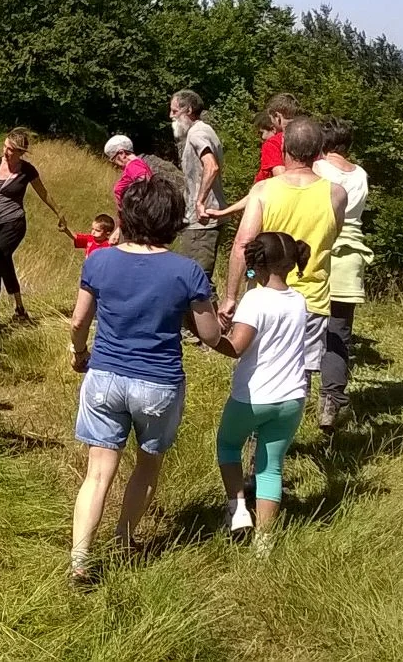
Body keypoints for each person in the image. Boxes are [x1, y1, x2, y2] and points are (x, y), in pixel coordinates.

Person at [67, 178, 223, 585]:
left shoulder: (99, 261)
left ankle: (80, 559)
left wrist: (79, 353)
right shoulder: (187, 270)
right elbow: (210, 335)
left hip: (104, 376)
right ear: (173, 220)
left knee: (98, 472)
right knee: (147, 464)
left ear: (127, 215)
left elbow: (79, 321)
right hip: (157, 382)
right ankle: (124, 540)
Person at [222, 118, 347, 428]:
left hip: (265, 293)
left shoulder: (264, 190)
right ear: (319, 152)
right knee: (297, 374)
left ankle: (254, 434)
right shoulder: (336, 194)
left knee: (257, 364)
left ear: (284, 149)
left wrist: (230, 296)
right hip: (311, 297)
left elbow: (242, 244)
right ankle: (282, 436)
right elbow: (332, 236)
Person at [208, 232, 313, 556]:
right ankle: (264, 544)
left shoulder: (255, 299)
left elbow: (237, 347)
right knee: (271, 467)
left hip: (253, 396)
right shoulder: (299, 300)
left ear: (256, 263)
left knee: (228, 445)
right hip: (292, 397)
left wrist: (211, 335)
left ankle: (238, 508)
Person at [0, 127, 67, 327]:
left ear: (20, 152)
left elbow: (43, 192)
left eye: (10, 149)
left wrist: (59, 213)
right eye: (4, 146)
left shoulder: (27, 170)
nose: (5, 151)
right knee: (4, 263)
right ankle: (20, 311)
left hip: (14, 224)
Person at [313, 117, 372, 423]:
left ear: (323, 143)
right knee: (339, 331)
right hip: (351, 255)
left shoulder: (318, 169)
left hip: (322, 251)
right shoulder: (360, 174)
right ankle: (331, 400)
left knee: (304, 328)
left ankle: (291, 396)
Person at [168, 90, 227, 284]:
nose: (171, 116)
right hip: (205, 219)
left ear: (188, 110)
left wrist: (199, 202)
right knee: (195, 279)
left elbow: (211, 166)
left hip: (202, 221)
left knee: (195, 280)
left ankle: (214, 306)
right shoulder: (204, 130)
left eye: (174, 111)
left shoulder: (197, 133)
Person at [257, 93, 300, 181]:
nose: (272, 122)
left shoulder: (273, 143)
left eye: (271, 118)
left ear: (277, 116)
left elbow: (282, 179)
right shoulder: (309, 136)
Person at [103, 135, 153, 213]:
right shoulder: (139, 164)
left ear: (122, 153)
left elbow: (144, 183)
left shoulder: (133, 165)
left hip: (136, 215)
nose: (115, 163)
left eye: (113, 159)